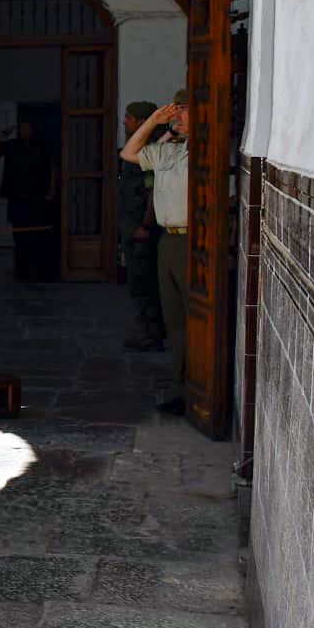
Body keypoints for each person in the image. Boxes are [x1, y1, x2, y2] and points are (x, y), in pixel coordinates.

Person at [120, 93, 192, 416]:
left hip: (193, 242)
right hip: (168, 240)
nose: (177, 117)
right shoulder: (169, 150)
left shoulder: (205, 151)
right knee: (174, 320)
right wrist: (154, 123)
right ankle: (182, 388)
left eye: (184, 111)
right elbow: (129, 152)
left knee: (195, 321)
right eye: (175, 112)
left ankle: (198, 390)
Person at [118, 99, 165, 351]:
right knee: (138, 282)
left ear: (140, 120)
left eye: (128, 117)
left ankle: (151, 334)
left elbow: (151, 191)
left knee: (144, 283)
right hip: (132, 226)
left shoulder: (150, 148)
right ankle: (148, 330)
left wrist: (144, 225)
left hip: (142, 229)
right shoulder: (135, 147)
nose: (125, 121)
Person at [0, 119, 59, 281]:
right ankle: (21, 273)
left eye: (28, 126)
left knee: (37, 235)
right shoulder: (12, 145)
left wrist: (52, 190)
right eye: (22, 127)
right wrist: (3, 134)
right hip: (16, 197)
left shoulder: (42, 145)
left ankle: (39, 273)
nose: (24, 130)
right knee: (19, 237)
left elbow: (53, 167)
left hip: (37, 197)